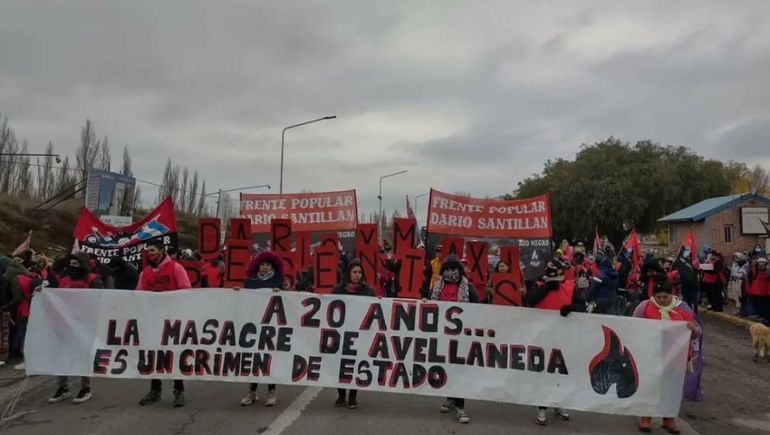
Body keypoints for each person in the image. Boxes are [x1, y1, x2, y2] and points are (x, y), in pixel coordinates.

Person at [633, 281, 700, 434]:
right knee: (650, 385)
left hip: (676, 356)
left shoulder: (683, 308)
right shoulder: (644, 307)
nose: (662, 300)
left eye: (665, 297)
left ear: (672, 294)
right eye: (659, 297)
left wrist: (692, 329)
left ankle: (668, 419)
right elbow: (634, 325)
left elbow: (698, 332)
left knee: (671, 388)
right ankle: (646, 417)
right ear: (653, 296)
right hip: (651, 354)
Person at [136, 240, 192, 407]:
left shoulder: (176, 268)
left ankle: (179, 389)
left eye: (152, 250)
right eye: (148, 251)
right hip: (153, 320)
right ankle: (155, 390)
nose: (150, 253)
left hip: (173, 320)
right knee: (153, 355)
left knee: (173, 354)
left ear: (161, 250)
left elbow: (186, 291)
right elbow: (139, 295)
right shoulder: (144, 273)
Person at [48, 252, 104, 404]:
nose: (72, 266)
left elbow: (99, 300)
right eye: (71, 263)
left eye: (76, 264)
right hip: (64, 324)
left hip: (83, 325)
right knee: (61, 355)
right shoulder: (65, 279)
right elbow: (56, 298)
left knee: (82, 356)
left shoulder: (93, 279)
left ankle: (85, 388)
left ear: (83, 265)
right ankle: (62, 388)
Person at [526, 258, 577, 425]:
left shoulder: (569, 285)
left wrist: (572, 310)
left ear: (561, 271)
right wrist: (546, 287)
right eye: (548, 267)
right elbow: (531, 300)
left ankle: (558, 402)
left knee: (561, 372)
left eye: (555, 268)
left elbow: (580, 305)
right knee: (543, 371)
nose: (551, 270)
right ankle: (542, 407)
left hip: (563, 336)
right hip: (542, 336)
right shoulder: (539, 283)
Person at [431, 254, 479, 424]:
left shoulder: (468, 287)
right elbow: (430, 305)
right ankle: (451, 398)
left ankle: (460, 406)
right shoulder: (437, 286)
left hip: (461, 337)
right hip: (443, 336)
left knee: (459, 371)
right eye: (447, 268)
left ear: (460, 270)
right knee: (448, 369)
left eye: (454, 268)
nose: (451, 272)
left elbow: (478, 309)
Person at [238, 250, 285, 408]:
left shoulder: (278, 281)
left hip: (270, 326)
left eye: (268, 265)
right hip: (253, 325)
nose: (265, 267)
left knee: (268, 358)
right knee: (253, 358)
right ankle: (252, 391)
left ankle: (271, 391)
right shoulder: (249, 282)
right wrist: (238, 293)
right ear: (257, 266)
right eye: (262, 264)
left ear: (273, 266)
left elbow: (286, 301)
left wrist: (281, 293)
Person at [332, 259, 375, 409]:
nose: (357, 275)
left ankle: (353, 395)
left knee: (356, 364)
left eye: (360, 272)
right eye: (354, 272)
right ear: (348, 273)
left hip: (359, 334)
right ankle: (341, 394)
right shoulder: (337, 290)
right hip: (341, 333)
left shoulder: (368, 291)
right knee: (341, 364)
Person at [2, 255, 41, 371]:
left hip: (24, 309)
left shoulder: (16, 279)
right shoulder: (26, 276)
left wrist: (6, 307)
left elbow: (17, 297)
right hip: (30, 307)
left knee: (23, 334)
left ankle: (28, 361)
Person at [746, 257, 770, 324]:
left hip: (764, 292)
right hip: (755, 291)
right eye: (760, 263)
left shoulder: (768, 271)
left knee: (765, 306)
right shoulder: (754, 270)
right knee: (757, 305)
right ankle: (760, 316)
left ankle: (765, 318)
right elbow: (750, 279)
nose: (761, 265)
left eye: (763, 263)